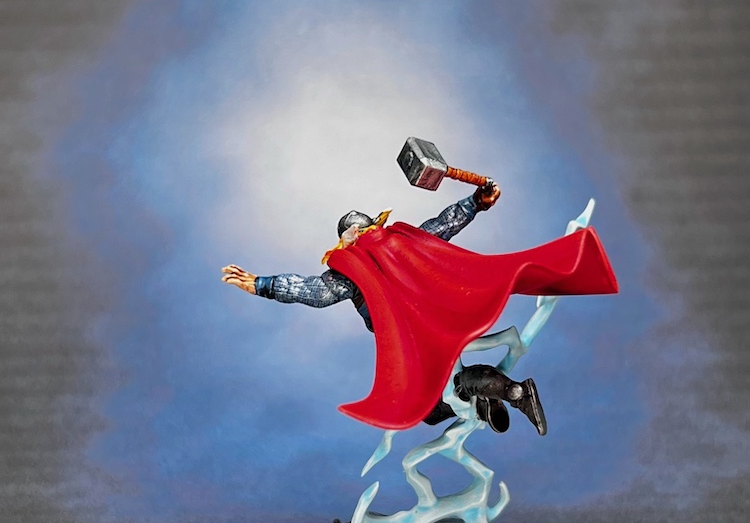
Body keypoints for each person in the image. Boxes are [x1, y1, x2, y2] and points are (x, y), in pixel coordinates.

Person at [222, 182, 548, 434]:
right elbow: (441, 227)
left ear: (349, 238)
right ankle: (484, 401)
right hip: (434, 322)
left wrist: (263, 285)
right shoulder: (398, 243)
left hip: (415, 336)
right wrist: (475, 202)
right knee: (431, 406)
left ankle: (515, 392)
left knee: (435, 396)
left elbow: (316, 292)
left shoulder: (357, 266)